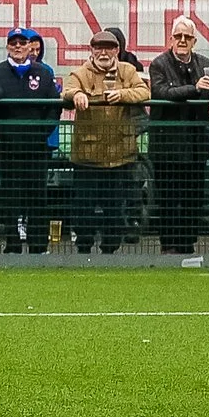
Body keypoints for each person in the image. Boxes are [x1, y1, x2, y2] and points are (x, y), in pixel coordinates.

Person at [146, 15, 209, 255]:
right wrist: (195, 88)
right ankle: (169, 245)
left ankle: (187, 245)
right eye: (178, 36)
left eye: (187, 37)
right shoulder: (159, 64)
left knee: (193, 197)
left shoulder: (205, 62)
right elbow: (161, 91)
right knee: (168, 199)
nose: (182, 40)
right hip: (167, 147)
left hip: (196, 145)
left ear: (194, 41)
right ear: (171, 38)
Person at [64, 31, 149, 254]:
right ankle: (83, 249)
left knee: (114, 209)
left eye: (109, 48)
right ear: (91, 50)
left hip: (120, 157)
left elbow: (143, 91)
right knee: (83, 209)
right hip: (87, 158)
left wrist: (122, 94)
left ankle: (110, 251)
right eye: (98, 47)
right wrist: (77, 95)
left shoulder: (128, 71)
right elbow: (67, 90)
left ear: (116, 51)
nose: (103, 52)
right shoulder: (81, 72)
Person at [0, 29, 61, 254]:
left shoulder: (43, 73)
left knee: (38, 197)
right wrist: (4, 133)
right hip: (9, 148)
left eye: (22, 43)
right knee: (10, 197)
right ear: (8, 46)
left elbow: (54, 106)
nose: (18, 46)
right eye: (13, 43)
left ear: (31, 47)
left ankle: (38, 246)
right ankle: (12, 245)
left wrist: (41, 133)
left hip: (37, 148)